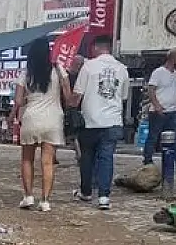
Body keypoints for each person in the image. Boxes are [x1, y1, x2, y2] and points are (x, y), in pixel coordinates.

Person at [12, 38, 73, 212]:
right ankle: (45, 200)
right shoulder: (58, 69)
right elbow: (68, 97)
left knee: (27, 159)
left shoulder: (25, 74)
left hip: (31, 118)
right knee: (47, 162)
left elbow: (17, 101)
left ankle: (28, 196)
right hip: (53, 119)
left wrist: (28, 98)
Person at [72, 34, 129, 211]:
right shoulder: (122, 69)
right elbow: (124, 96)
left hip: (90, 120)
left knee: (87, 157)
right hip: (112, 120)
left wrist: (71, 104)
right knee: (106, 158)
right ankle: (104, 196)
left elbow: (77, 95)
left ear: (96, 47)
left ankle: (86, 192)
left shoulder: (88, 67)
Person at [143, 50, 176, 170]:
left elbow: (175, 91)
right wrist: (156, 105)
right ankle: (147, 160)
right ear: (172, 58)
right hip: (159, 110)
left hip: (172, 110)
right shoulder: (159, 72)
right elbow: (151, 89)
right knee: (154, 136)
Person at [63, 54, 86, 163]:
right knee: (74, 132)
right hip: (70, 106)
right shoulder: (67, 75)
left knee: (76, 133)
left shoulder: (82, 75)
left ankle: (79, 154)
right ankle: (79, 155)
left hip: (79, 106)